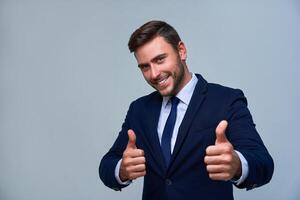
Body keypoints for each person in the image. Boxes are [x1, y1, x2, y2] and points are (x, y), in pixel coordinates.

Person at [99, 20, 274, 200]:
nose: (154, 74)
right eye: (145, 67)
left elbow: (263, 163)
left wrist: (237, 165)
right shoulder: (139, 109)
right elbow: (107, 164)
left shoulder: (226, 100)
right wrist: (122, 169)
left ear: (181, 51)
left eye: (160, 60)